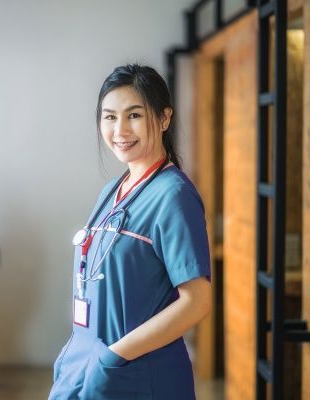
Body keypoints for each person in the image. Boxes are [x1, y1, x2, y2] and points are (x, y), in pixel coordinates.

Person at [48, 64, 212, 399]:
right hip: (88, 362)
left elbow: (196, 302)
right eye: (109, 117)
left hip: (137, 374)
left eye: (134, 115)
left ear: (164, 118)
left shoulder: (173, 197)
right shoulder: (113, 190)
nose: (120, 129)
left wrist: (114, 356)